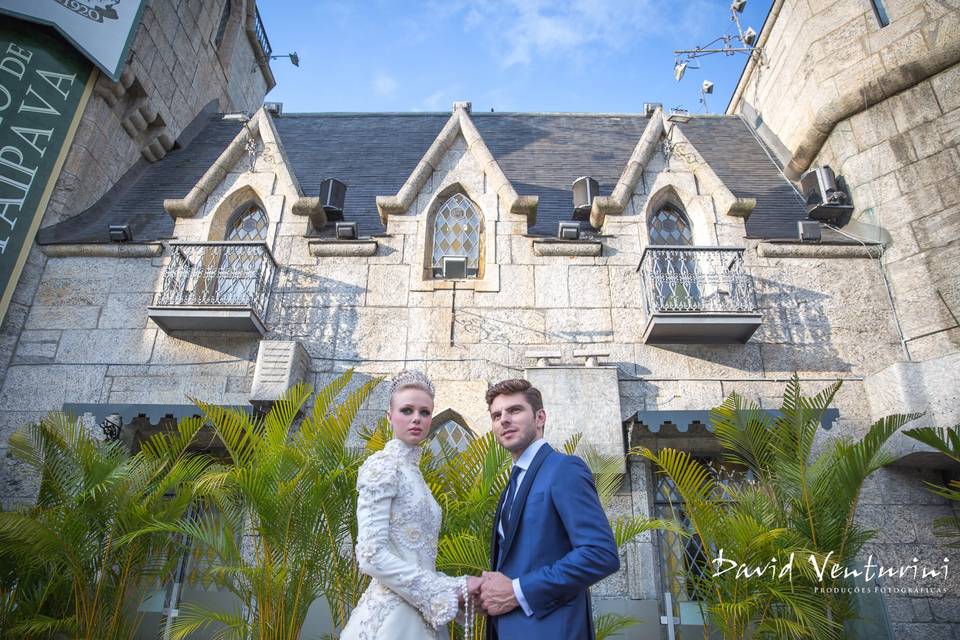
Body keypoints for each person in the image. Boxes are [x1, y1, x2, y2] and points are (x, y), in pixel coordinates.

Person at [341, 370, 482, 640]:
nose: (417, 418)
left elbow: (418, 562)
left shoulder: (418, 477)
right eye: (407, 410)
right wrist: (439, 592)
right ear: (389, 417)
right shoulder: (382, 466)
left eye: (425, 412)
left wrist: (459, 586)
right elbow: (371, 556)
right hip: (390, 620)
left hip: (421, 616)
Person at [477, 379, 620, 639]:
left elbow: (600, 554)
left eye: (515, 410)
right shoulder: (512, 483)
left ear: (540, 417)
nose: (504, 420)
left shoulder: (563, 469)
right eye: (497, 415)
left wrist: (518, 591)